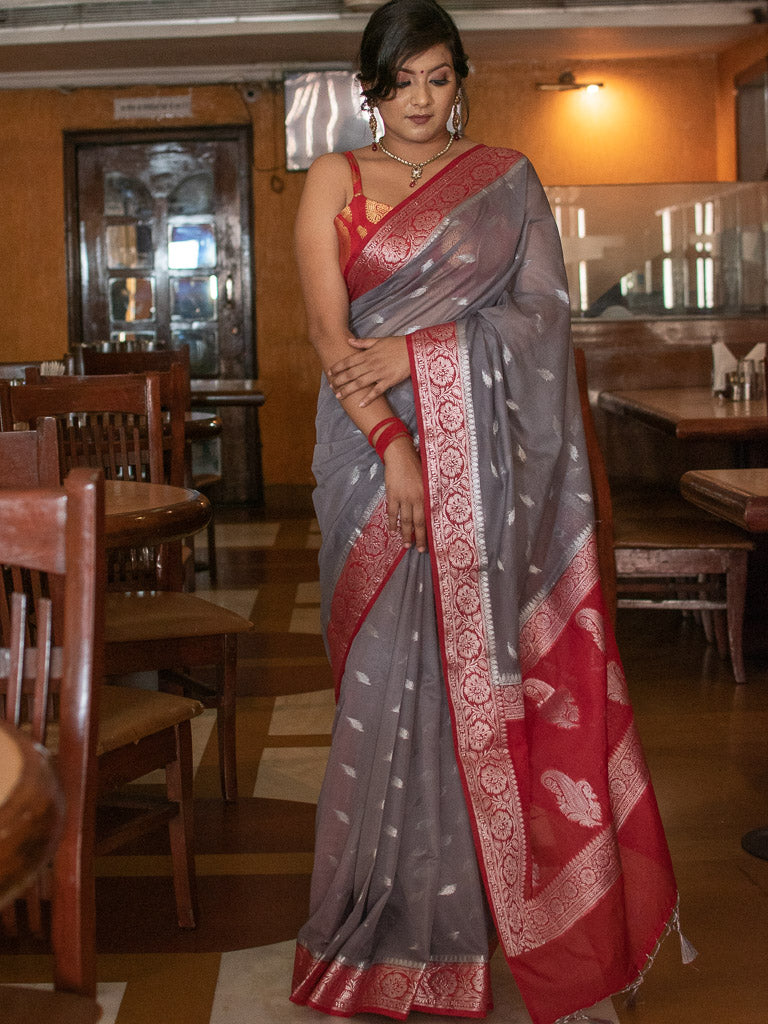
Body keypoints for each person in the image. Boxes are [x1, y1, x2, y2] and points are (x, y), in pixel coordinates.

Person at [290, 3, 685, 1022]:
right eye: (399, 80)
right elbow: (334, 343)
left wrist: (429, 356)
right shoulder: (333, 179)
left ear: (459, 79)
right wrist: (398, 450)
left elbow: (543, 322)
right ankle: (382, 926)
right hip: (370, 466)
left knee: (476, 680)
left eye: (435, 78)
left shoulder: (505, 179)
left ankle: (480, 915)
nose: (418, 101)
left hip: (489, 473)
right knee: (387, 686)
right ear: (369, 84)